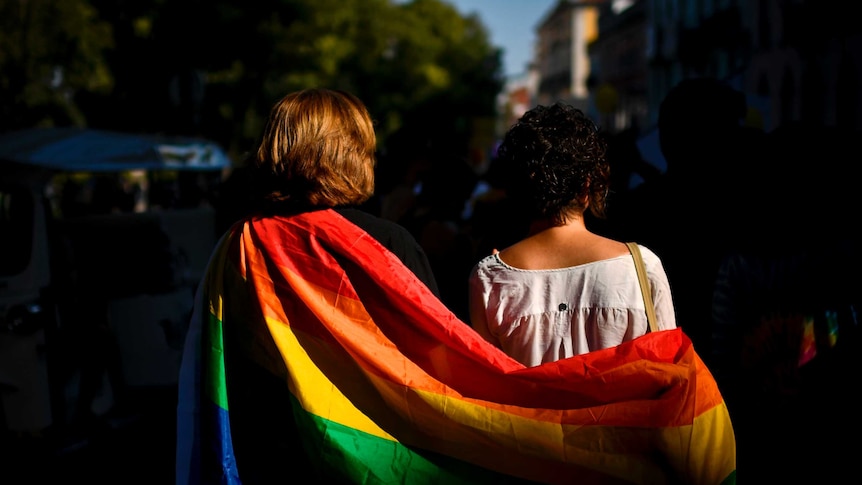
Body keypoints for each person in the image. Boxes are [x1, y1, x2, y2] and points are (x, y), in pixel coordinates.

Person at [175, 87, 440, 484]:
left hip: (268, 454)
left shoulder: (240, 245)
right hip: (373, 457)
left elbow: (220, 355)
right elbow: (434, 360)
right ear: (355, 154)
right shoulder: (387, 244)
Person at [468, 102, 676, 367]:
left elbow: (489, 383)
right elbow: (667, 371)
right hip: (619, 410)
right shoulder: (642, 267)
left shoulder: (489, 278)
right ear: (587, 185)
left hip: (528, 410)